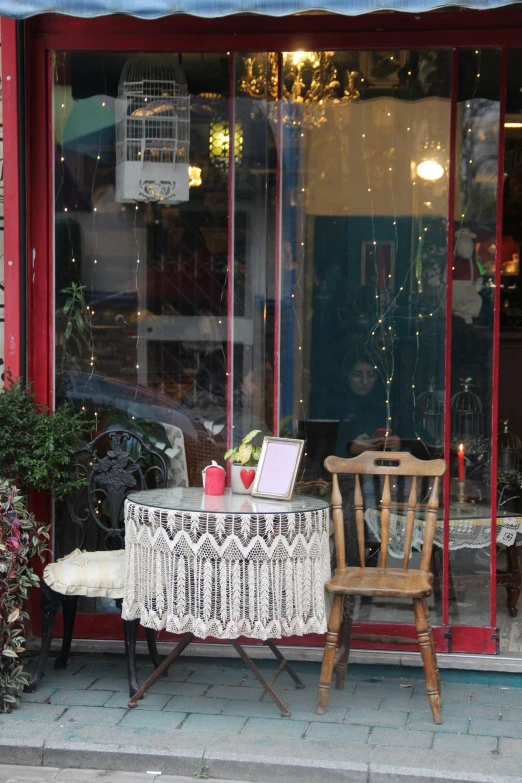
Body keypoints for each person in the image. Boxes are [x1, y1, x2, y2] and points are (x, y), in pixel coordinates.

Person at [335, 348, 400, 457]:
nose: (364, 382)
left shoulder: (388, 404)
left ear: (377, 377)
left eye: (370, 375)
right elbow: (322, 447)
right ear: (347, 375)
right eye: (357, 375)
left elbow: (414, 439)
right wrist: (350, 448)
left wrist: (399, 442)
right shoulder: (335, 405)